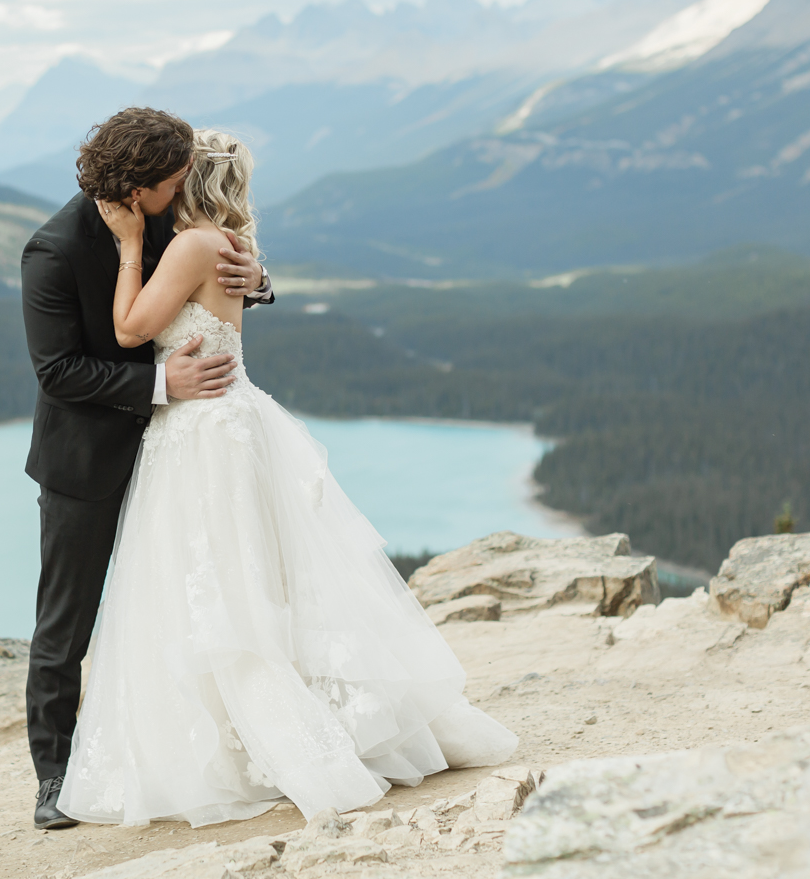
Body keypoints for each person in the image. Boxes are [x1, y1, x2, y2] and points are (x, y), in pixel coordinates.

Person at [57, 127, 518, 828]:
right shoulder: (226, 243)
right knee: (250, 583)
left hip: (204, 435)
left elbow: (129, 330)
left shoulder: (189, 245)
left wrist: (125, 247)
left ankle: (280, 746)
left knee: (224, 590)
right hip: (229, 423)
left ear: (187, 181)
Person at [20, 107, 274, 831]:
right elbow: (59, 370)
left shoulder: (170, 219)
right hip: (90, 461)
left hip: (184, 452)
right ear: (136, 190)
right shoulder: (53, 251)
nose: (181, 188)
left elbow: (214, 275)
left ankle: (177, 753)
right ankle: (54, 777)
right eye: (169, 182)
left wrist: (256, 277)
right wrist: (164, 388)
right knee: (66, 625)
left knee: (188, 603)